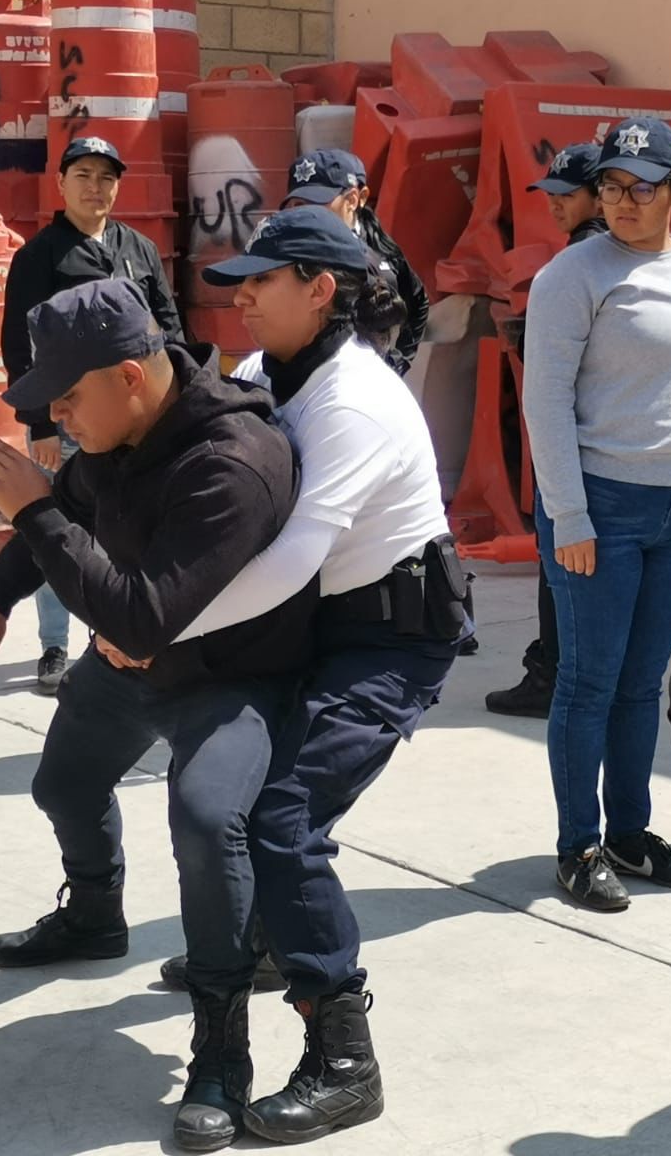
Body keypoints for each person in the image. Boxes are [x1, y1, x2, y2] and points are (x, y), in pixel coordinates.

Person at [0, 277, 314, 1151]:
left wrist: (30, 507)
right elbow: (72, 506)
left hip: (231, 680)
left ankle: (222, 1052)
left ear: (132, 376)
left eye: (69, 398)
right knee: (62, 785)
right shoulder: (116, 430)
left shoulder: (231, 461)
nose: (60, 418)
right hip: (128, 670)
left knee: (204, 821)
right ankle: (96, 914)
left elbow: (144, 615)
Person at [156, 206, 470, 1148]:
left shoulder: (356, 401)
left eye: (263, 280)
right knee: (237, 805)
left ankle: (345, 1060)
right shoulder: (264, 373)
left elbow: (290, 560)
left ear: (322, 290)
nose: (241, 294)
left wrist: (159, 624)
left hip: (388, 639)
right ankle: (261, 947)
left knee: (285, 822)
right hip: (316, 625)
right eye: (238, 279)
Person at [522, 117, 671, 911]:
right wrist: (568, 515)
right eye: (611, 187)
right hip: (599, 505)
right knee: (587, 683)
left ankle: (631, 834)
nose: (624, 201)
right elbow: (544, 398)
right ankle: (578, 846)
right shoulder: (573, 276)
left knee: (644, 684)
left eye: (644, 188)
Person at [0, 136, 184, 694]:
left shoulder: (139, 249)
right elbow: (17, 344)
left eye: (106, 177)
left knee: (130, 531)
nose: (95, 187)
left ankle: (109, 634)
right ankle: (54, 646)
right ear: (60, 184)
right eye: (83, 175)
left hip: (140, 420)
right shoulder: (41, 256)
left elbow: (169, 326)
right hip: (73, 423)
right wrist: (39, 423)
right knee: (63, 526)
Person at [485, 141, 607, 719]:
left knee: (560, 565)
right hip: (603, 444)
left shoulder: (580, 263)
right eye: (552, 193)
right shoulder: (613, 255)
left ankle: (552, 674)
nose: (555, 204)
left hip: (574, 442)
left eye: (567, 194)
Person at [281, 148, 428, 373]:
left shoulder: (381, 251)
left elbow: (418, 302)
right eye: (298, 205)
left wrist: (399, 361)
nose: (306, 214)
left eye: (316, 202)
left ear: (354, 199)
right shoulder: (285, 252)